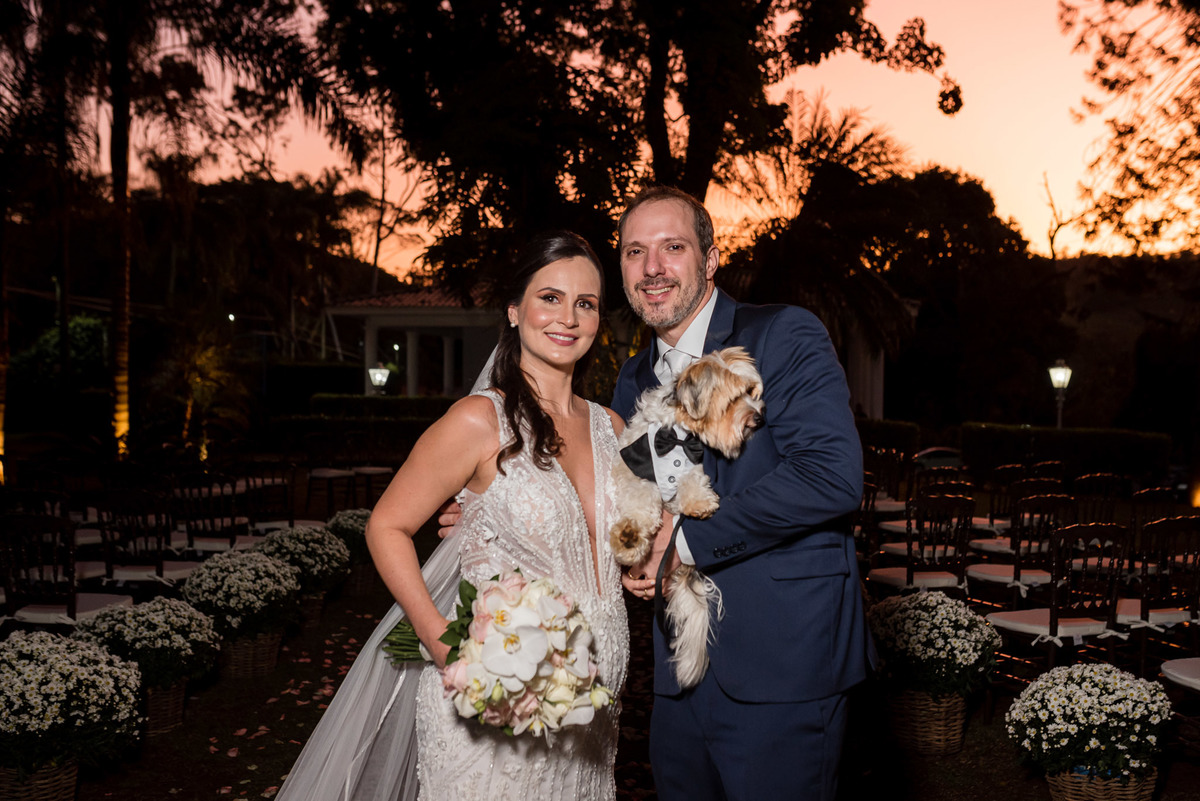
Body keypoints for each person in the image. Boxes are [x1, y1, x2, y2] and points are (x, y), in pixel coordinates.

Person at [276, 231, 629, 801]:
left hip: (597, 704)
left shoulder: (612, 431)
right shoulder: (478, 421)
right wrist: (439, 639)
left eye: (585, 303)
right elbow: (386, 526)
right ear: (515, 311)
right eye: (550, 297)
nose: (568, 317)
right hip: (498, 697)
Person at [613, 186, 872, 801]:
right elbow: (625, 490)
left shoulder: (781, 333)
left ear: (710, 258)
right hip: (679, 672)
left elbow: (831, 474)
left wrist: (687, 542)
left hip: (785, 660)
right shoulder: (632, 377)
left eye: (672, 248)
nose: (652, 268)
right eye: (634, 252)